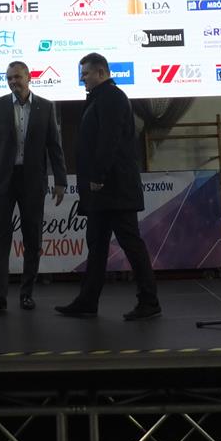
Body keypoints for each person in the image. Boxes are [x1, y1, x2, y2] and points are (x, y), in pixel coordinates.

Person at [56, 53, 161, 320]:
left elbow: (109, 139)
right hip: (101, 190)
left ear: (101, 72)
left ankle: (149, 301)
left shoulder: (112, 97)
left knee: (130, 243)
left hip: (114, 187)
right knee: (97, 245)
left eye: (86, 74)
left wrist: (99, 175)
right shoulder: (99, 98)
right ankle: (87, 301)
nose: (82, 78)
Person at [0, 60, 67, 311]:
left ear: (28, 77)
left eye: (17, 77)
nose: (13, 82)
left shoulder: (45, 107)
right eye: (9, 78)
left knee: (33, 238)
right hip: (2, 180)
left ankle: (26, 294)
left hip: (33, 180)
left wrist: (60, 180)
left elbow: (54, 146)